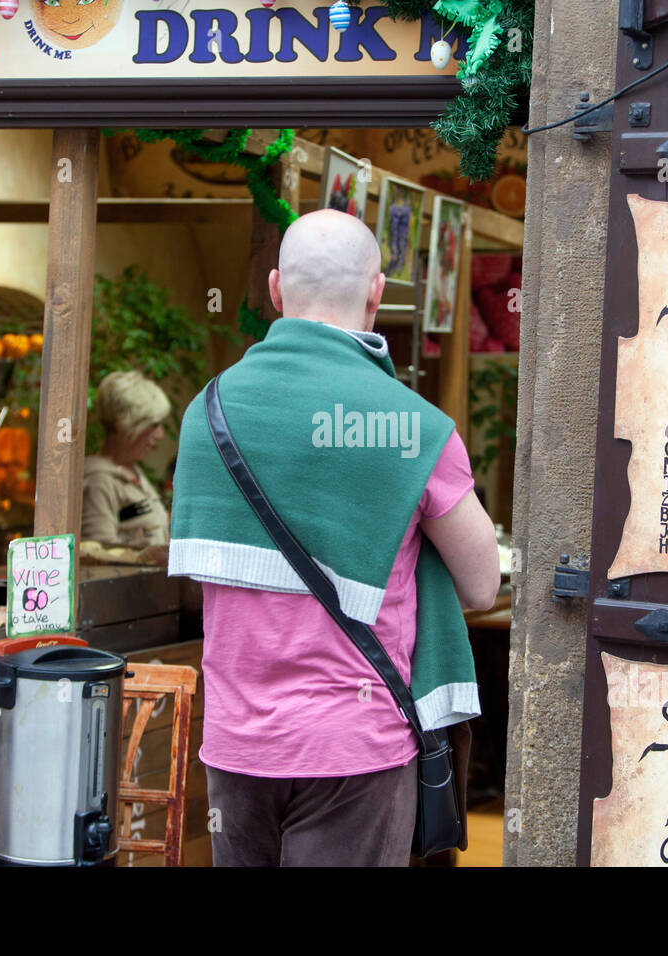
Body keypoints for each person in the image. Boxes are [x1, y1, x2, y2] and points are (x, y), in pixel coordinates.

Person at [168, 209, 501, 867]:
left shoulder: (206, 413)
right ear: (377, 290)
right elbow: (482, 584)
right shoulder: (415, 429)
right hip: (356, 747)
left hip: (236, 749)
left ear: (274, 290)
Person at [81, 370, 171, 562]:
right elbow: (95, 556)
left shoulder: (133, 472)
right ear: (125, 424)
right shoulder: (99, 480)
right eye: (153, 425)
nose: (160, 435)